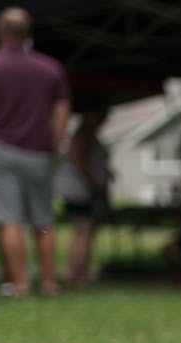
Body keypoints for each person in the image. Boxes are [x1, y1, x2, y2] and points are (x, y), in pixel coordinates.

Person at [0, 6, 69, 298]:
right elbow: (61, 111)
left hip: (0, 151)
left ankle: (19, 284)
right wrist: (56, 145)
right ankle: (48, 282)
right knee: (43, 220)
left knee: (9, 219)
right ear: (28, 34)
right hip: (40, 152)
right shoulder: (50, 68)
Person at [53, 105, 110, 289]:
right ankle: (74, 275)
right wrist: (96, 182)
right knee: (83, 233)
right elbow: (78, 161)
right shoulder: (83, 135)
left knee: (85, 233)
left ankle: (80, 273)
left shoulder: (86, 134)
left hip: (82, 190)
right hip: (80, 191)